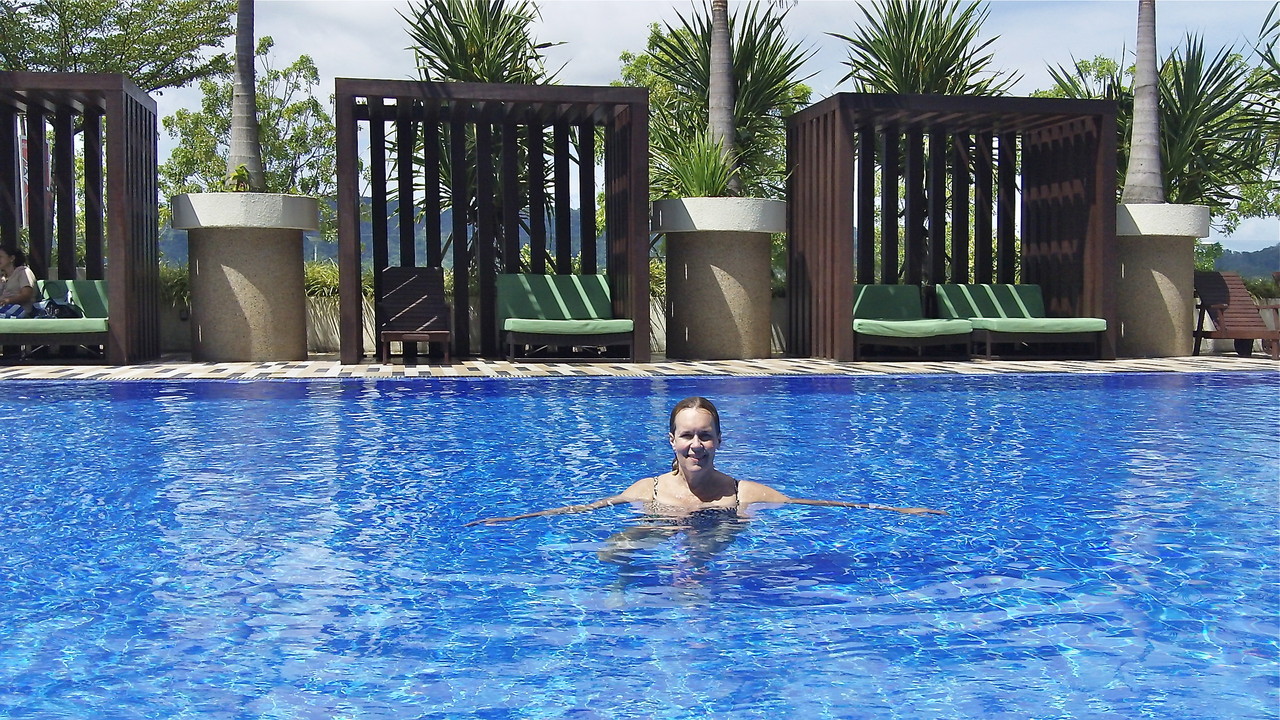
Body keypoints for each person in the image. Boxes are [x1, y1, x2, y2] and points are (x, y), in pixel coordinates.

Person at [464, 396, 945, 527]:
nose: (696, 445)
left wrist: (898, 511)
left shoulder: (744, 493)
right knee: (616, 549)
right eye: (687, 436)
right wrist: (514, 517)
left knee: (705, 552)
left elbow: (817, 504)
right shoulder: (648, 490)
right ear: (671, 440)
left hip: (718, 531)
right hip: (661, 523)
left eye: (705, 436)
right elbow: (585, 508)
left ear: (719, 441)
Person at [0, 245, 39, 318]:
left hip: (21, 310)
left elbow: (26, 295)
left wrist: (7, 301)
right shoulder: (2, 277)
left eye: (0, 257)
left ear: (12, 258)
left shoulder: (23, 272)